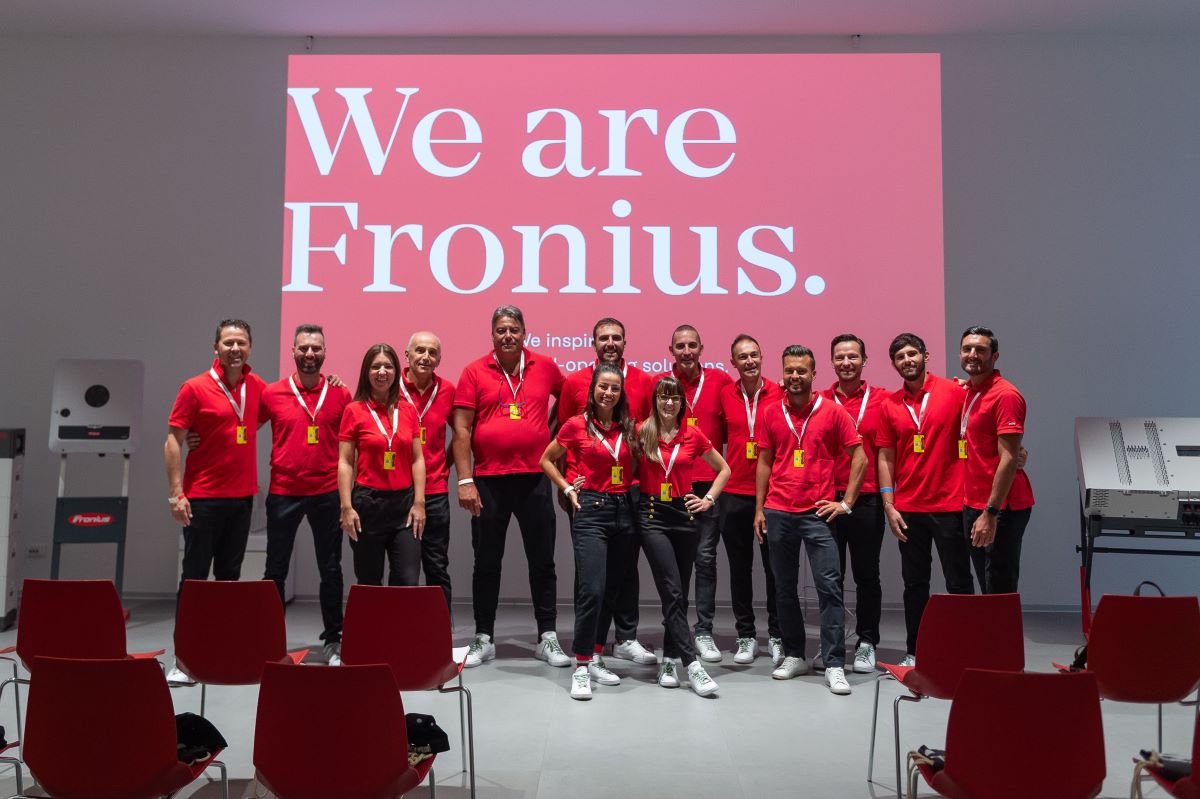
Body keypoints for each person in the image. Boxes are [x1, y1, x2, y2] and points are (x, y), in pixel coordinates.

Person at [453, 305, 568, 668]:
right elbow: (461, 430)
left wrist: (551, 435)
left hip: (535, 478)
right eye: (501, 330)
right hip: (488, 480)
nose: (508, 335)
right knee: (486, 562)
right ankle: (484, 638)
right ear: (492, 335)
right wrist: (465, 480)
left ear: (524, 333)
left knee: (542, 561)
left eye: (514, 329)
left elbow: (569, 400)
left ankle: (547, 637)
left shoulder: (544, 366)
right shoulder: (474, 371)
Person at [753, 345, 864, 695]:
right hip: (779, 511)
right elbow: (764, 462)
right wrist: (759, 508)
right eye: (789, 370)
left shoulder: (832, 411)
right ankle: (794, 655)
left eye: (801, 370)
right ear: (783, 373)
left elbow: (860, 456)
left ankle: (833, 663)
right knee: (783, 588)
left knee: (829, 588)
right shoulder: (770, 412)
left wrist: (846, 503)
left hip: (818, 513)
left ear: (814, 374)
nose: (795, 376)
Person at [164, 318, 267, 684]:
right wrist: (176, 494)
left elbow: (263, 416)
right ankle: (185, 660)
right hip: (202, 500)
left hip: (241, 501)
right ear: (216, 347)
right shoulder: (194, 387)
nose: (235, 348)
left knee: (229, 580)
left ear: (250, 347)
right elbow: (173, 441)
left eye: (241, 342)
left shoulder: (257, 387)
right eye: (228, 343)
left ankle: (221, 653)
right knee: (194, 580)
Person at [557, 317, 657, 666]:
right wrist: (567, 485)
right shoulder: (574, 382)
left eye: (616, 337)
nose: (610, 343)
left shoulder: (644, 381)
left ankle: (626, 637)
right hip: (587, 491)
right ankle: (587, 643)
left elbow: (648, 434)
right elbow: (564, 435)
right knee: (590, 574)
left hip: (631, 489)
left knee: (626, 569)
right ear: (594, 343)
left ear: (625, 343)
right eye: (603, 338)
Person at [875, 333, 975, 667]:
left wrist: (1018, 451)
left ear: (925, 356)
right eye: (900, 357)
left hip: (950, 507)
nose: (907, 360)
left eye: (912, 354)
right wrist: (889, 505)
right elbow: (886, 457)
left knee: (959, 583)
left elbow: (981, 425)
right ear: (894, 364)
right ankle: (915, 652)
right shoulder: (890, 405)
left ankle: (963, 653)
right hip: (908, 510)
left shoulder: (955, 391)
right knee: (914, 585)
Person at [540, 363, 639, 700]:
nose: (608, 393)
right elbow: (546, 460)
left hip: (624, 511)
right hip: (591, 511)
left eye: (615, 388)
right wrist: (568, 487)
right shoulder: (575, 425)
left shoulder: (629, 427)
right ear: (592, 390)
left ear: (621, 393)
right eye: (603, 387)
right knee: (592, 590)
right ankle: (581, 666)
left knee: (611, 590)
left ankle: (596, 655)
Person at [258, 324, 352, 665]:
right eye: (303, 348)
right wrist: (197, 436)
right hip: (284, 493)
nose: (309, 353)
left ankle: (333, 641)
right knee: (275, 571)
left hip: (327, 492)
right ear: (293, 352)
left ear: (325, 352)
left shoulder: (341, 394)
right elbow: (239, 425)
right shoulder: (271, 393)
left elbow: (355, 441)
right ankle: (270, 641)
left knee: (331, 569)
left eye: (316, 348)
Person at [636, 375, 730, 696]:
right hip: (652, 516)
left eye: (675, 398)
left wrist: (708, 499)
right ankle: (692, 665)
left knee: (678, 594)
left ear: (682, 403)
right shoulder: (642, 432)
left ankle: (669, 660)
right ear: (655, 400)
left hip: (685, 516)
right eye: (663, 397)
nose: (669, 403)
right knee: (672, 591)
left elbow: (724, 469)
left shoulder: (692, 434)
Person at [655, 325, 732, 663]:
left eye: (692, 346)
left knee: (705, 559)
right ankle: (674, 629)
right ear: (671, 350)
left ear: (701, 348)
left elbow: (732, 428)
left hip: (706, 485)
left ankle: (703, 631)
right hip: (671, 484)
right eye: (680, 346)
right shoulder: (662, 385)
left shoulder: (721, 381)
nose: (686, 351)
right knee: (674, 567)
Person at [819, 334, 890, 674]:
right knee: (830, 578)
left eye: (852, 356)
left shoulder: (884, 400)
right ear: (831, 362)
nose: (846, 362)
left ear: (864, 360)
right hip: (827, 499)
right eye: (840, 357)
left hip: (866, 499)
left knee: (867, 575)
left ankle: (866, 642)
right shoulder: (820, 400)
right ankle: (832, 644)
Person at [716, 334, 783, 665]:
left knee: (775, 570)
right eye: (742, 357)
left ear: (761, 356)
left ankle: (777, 635)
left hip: (772, 495)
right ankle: (746, 635)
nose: (749, 361)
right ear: (733, 363)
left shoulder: (780, 392)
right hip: (733, 494)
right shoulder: (724, 394)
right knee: (739, 569)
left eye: (754, 354)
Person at [337, 344, 426, 586]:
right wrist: (346, 507)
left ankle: (397, 616)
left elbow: (417, 459)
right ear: (366, 372)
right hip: (367, 505)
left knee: (407, 580)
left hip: (404, 505)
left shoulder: (408, 410)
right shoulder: (353, 410)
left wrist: (419, 503)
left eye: (388, 366)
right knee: (369, 581)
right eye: (376, 367)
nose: (382, 372)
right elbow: (345, 462)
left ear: (396, 371)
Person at [958, 326, 1034, 593]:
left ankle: (1004, 624)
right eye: (966, 349)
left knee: (999, 587)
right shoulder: (969, 390)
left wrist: (991, 512)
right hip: (973, 503)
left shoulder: (1006, 395)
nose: (972, 354)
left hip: (1000, 507)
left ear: (995, 356)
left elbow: (1009, 457)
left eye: (980, 350)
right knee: (987, 586)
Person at [400, 331, 456, 611]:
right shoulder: (390, 387)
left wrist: (445, 463)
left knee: (436, 565)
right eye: (420, 350)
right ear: (407, 355)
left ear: (439, 359)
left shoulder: (448, 390)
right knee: (404, 570)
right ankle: (400, 628)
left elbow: (462, 434)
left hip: (435, 491)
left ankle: (440, 631)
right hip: (398, 491)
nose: (425, 357)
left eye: (432, 352)